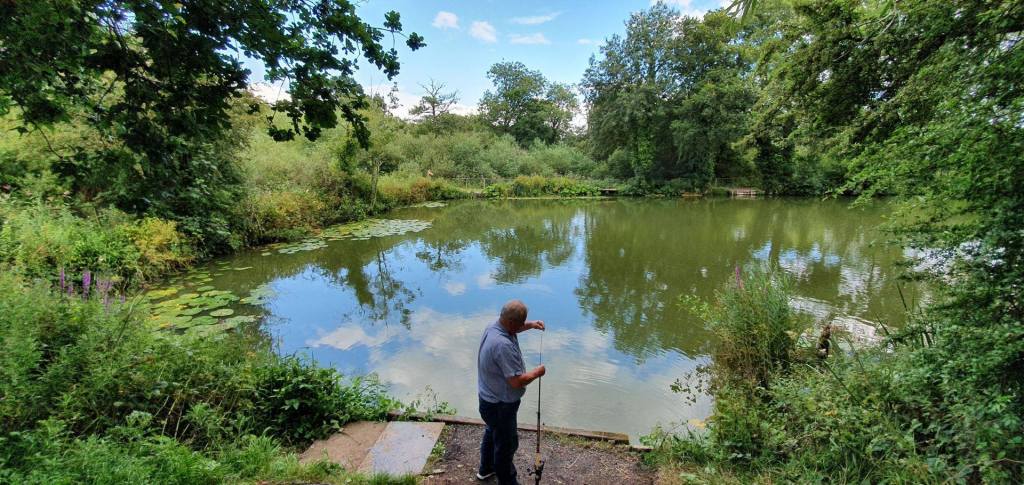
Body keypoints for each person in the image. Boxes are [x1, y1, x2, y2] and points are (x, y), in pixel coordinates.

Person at [476, 299, 546, 484]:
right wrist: (537, 372)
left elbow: (514, 327)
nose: (523, 326)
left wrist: (531, 325)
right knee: (507, 445)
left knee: (492, 432)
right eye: (521, 323)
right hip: (500, 406)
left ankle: (486, 469)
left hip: (488, 400)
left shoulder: (495, 325)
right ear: (511, 322)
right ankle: (508, 481)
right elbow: (516, 382)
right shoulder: (502, 345)